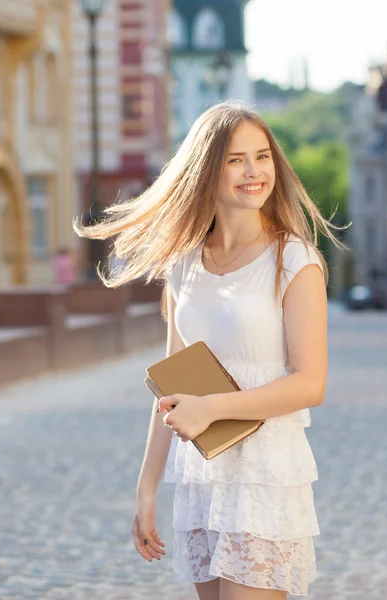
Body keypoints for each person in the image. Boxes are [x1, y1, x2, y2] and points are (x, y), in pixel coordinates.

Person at [73, 101, 343, 599]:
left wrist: (212, 408)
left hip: (264, 473)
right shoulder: (184, 265)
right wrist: (147, 485)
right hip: (201, 473)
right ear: (206, 169)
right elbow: (172, 385)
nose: (253, 171)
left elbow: (311, 384)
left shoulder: (295, 262)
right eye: (235, 159)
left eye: (262, 156)